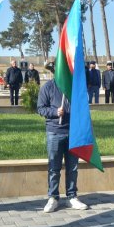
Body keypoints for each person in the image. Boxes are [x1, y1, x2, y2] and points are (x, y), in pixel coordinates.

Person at [37, 63, 88, 213]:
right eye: (57, 71)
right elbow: (40, 108)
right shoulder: (48, 87)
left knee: (72, 167)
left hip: (73, 133)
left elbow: (81, 107)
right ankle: (53, 197)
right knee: (54, 167)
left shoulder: (74, 88)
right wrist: (54, 112)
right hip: (54, 132)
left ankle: (71, 196)